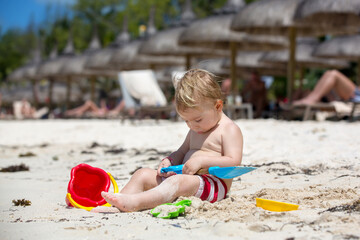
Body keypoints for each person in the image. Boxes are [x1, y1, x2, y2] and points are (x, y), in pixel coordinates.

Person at [94, 69, 244, 212]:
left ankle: (135, 203)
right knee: (142, 174)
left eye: (197, 119)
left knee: (176, 183)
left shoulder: (228, 129)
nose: (192, 125)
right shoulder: (196, 129)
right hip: (185, 180)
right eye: (186, 121)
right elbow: (182, 152)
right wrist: (170, 160)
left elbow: (234, 161)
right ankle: (119, 204)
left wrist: (202, 162)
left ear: (217, 106)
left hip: (213, 186)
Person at [293, 70, 360, 105]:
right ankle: (311, 98)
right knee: (328, 73)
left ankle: (312, 99)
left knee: (334, 74)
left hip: (357, 95)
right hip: (356, 94)